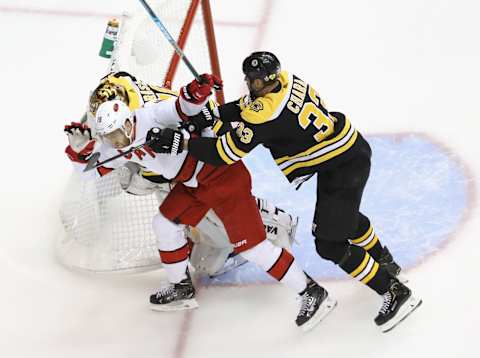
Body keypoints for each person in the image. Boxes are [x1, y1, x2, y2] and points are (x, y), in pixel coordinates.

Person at [154, 52, 422, 333]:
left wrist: (181, 142)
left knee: (330, 243)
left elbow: (224, 153)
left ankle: (393, 291)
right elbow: (245, 107)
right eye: (251, 81)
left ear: (267, 80)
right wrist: (213, 115)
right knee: (344, 218)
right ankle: (385, 261)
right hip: (343, 155)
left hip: (343, 166)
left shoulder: (266, 113)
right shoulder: (285, 81)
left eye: (257, 82)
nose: (253, 85)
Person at [63, 72, 336, 331]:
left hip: (223, 179)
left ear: (127, 121)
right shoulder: (118, 145)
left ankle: (312, 292)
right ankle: (180, 286)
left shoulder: (149, 116)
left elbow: (182, 107)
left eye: (116, 135)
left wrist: (198, 90)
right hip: (193, 185)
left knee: (253, 249)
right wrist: (80, 150)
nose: (115, 142)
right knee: (164, 224)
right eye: (108, 137)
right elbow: (90, 170)